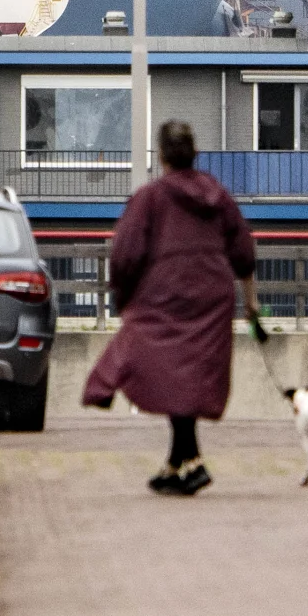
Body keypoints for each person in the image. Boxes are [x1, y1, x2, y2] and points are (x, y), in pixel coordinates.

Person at [79, 119, 257, 494]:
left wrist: (122, 296)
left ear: (161, 155)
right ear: (195, 153)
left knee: (167, 370)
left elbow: (126, 253)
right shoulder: (217, 193)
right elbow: (243, 250)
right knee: (187, 377)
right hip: (211, 296)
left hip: (165, 295)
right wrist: (252, 302)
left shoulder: (151, 198)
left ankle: (192, 461)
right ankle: (176, 464)